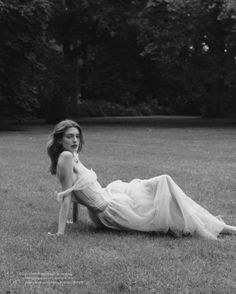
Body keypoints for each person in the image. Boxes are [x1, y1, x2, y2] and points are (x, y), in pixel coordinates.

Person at [47, 119, 236, 239]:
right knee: (164, 189)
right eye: (70, 137)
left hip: (111, 196)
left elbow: (74, 191)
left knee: (164, 187)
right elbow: (67, 195)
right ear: (59, 140)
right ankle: (222, 228)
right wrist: (60, 232)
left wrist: (74, 221)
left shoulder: (71, 155)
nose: (75, 141)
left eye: (77, 136)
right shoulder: (66, 157)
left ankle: (219, 226)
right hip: (111, 211)